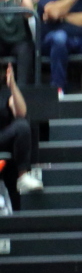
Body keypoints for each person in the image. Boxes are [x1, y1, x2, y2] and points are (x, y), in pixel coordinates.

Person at [0, 64, 41, 194]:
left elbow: (21, 112)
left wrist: (12, 85)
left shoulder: (4, 93)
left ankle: (24, 176)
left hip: (3, 137)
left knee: (25, 124)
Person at [0, 0, 34, 86]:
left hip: (20, 40)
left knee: (25, 50)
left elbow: (30, 14)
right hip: (1, 39)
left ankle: (22, 92)